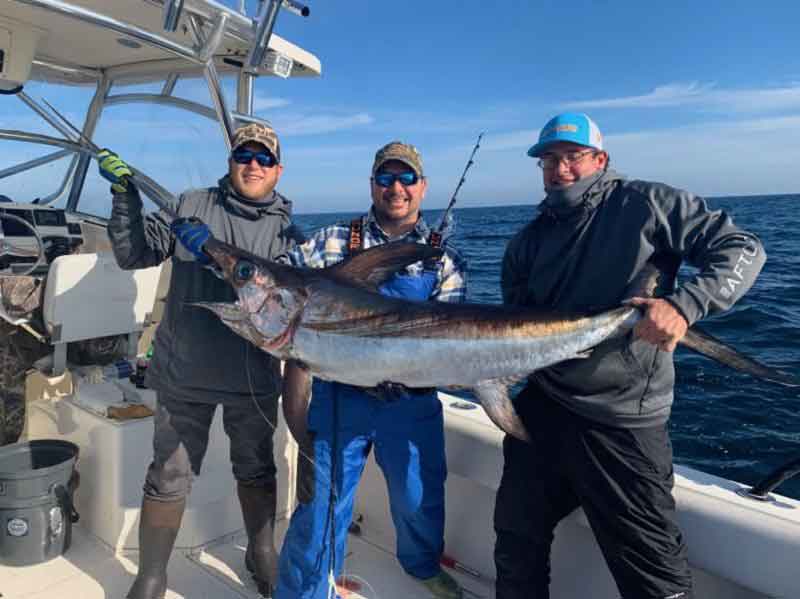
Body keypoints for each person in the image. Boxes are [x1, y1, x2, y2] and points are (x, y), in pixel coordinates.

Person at [494, 112, 766, 599]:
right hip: (543, 408)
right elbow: (514, 328)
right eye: (549, 160)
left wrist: (684, 305)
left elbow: (742, 247)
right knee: (516, 542)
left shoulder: (648, 203)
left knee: (653, 576)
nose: (560, 169)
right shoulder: (526, 242)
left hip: (621, 419)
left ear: (600, 159)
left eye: (573, 157)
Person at [101, 122, 301, 599]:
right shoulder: (190, 204)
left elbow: (288, 305)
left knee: (256, 467)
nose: (253, 165)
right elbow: (133, 255)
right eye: (244, 155)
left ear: (278, 170)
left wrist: (213, 256)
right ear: (230, 161)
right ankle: (152, 575)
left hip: (252, 375)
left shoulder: (289, 233)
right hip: (184, 372)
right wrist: (125, 199)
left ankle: (261, 551)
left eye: (265, 158)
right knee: (168, 474)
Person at [274, 142, 468, 599]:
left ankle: (421, 565)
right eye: (385, 178)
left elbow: (451, 336)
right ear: (372, 185)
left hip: (410, 401)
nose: (396, 188)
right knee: (321, 507)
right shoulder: (333, 240)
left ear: (422, 187)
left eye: (406, 178)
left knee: (418, 498)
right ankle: (302, 593)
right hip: (341, 398)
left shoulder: (445, 260)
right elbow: (280, 278)